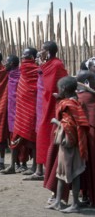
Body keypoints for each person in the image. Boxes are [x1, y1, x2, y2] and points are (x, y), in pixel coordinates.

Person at [45, 76, 89, 213]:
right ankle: (58, 201)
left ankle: (75, 204)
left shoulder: (71, 105)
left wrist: (56, 122)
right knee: (60, 172)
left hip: (72, 145)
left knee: (74, 173)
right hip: (65, 144)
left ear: (64, 89)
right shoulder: (68, 102)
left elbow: (71, 126)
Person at [26, 41, 68, 181]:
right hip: (42, 104)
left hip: (52, 105)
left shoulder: (57, 65)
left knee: (48, 134)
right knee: (41, 134)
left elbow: (57, 86)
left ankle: (47, 170)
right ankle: (39, 170)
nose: (40, 52)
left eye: (43, 49)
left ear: (48, 51)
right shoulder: (46, 64)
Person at [2, 48, 38, 175]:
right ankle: (12, 165)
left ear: (34, 57)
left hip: (31, 109)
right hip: (17, 110)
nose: (23, 58)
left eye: (26, 56)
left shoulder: (37, 72)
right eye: (22, 56)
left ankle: (34, 167)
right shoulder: (20, 72)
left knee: (32, 138)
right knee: (15, 137)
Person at [76, 70, 95, 207]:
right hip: (90, 135)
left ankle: (86, 195)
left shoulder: (81, 97)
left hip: (88, 137)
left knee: (86, 167)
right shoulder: (89, 95)